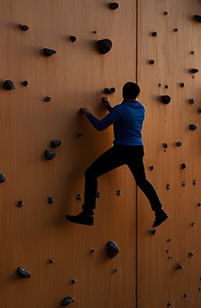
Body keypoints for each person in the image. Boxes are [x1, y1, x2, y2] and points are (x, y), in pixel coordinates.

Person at [66, 81, 168, 228]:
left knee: (91, 173)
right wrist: (108, 108)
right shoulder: (141, 108)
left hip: (122, 150)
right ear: (137, 94)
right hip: (137, 149)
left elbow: (101, 126)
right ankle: (159, 212)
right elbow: (124, 117)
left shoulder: (120, 109)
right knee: (142, 181)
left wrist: (88, 113)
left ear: (123, 92)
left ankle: (88, 213)